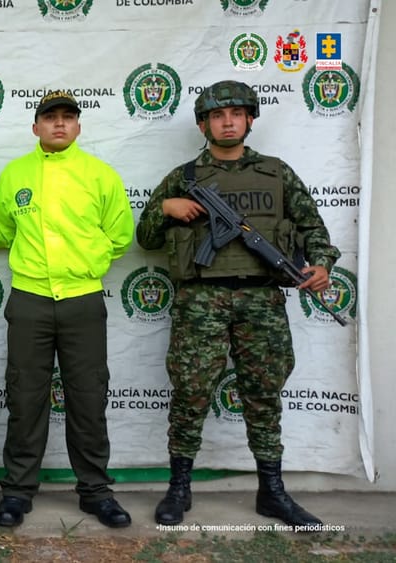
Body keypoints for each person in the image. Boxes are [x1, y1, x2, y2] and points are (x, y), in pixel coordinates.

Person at [136, 80, 339, 528]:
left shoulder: (276, 173)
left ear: (249, 119)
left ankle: (272, 491)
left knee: (263, 395)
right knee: (190, 393)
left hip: (262, 299)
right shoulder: (184, 178)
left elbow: (313, 229)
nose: (227, 121)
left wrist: (321, 264)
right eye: (217, 115)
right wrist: (166, 208)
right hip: (199, 300)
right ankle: (178, 489)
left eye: (236, 114)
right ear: (203, 123)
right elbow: (146, 238)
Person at [0, 90, 135, 529]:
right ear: (36, 126)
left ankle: (95, 492)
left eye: (67, 118)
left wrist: (87, 264)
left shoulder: (100, 175)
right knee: (25, 397)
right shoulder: (16, 173)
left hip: (82, 300)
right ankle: (18, 492)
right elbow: (1, 229)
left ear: (78, 126)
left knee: (87, 397)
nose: (59, 124)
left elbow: (119, 236)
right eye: (50, 117)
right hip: (29, 300)